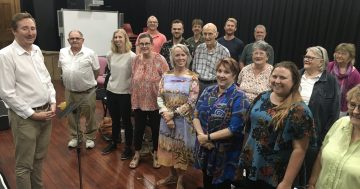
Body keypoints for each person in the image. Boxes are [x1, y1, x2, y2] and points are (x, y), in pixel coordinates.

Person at [0, 12, 56, 189]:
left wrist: (53, 101)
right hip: (25, 118)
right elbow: (7, 93)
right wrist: (32, 114)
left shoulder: (37, 50)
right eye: (25, 28)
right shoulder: (5, 55)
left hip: (46, 113)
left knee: (39, 159)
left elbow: (46, 79)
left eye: (33, 28)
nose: (30, 32)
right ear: (14, 31)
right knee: (24, 165)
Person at [239, 61, 315, 189]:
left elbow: (300, 150)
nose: (277, 81)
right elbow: (249, 130)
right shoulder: (262, 97)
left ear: (294, 81)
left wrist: (287, 182)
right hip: (251, 166)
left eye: (283, 77)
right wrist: (242, 161)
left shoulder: (300, 111)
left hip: (275, 175)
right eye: (274, 76)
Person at [193, 58, 250, 189]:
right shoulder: (208, 91)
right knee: (206, 179)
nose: (221, 75)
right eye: (219, 71)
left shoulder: (240, 97)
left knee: (221, 184)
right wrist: (202, 137)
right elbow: (195, 115)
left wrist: (207, 138)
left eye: (226, 72)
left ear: (234, 75)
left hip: (225, 153)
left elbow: (234, 129)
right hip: (204, 147)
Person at [156, 44, 199, 189]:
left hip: (183, 120)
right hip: (166, 118)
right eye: (177, 55)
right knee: (167, 148)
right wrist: (166, 114)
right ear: (172, 58)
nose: (180, 58)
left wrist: (172, 115)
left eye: (183, 55)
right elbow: (159, 97)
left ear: (187, 57)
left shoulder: (192, 77)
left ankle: (180, 178)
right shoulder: (166, 75)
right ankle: (171, 175)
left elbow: (191, 102)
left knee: (181, 149)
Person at [307, 84, 360, 189]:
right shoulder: (340, 123)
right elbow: (321, 155)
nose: (355, 111)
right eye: (352, 105)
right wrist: (312, 183)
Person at [129, 33, 169, 169]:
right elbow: (132, 79)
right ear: (139, 45)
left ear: (152, 45)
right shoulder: (135, 60)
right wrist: (132, 99)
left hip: (155, 102)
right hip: (139, 101)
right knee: (138, 129)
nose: (144, 46)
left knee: (156, 129)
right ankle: (137, 153)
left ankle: (155, 153)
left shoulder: (160, 59)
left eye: (147, 43)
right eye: (142, 44)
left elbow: (167, 80)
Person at [59, 30, 100, 149]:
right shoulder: (62, 52)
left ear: (82, 40)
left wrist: (85, 83)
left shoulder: (90, 53)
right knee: (71, 116)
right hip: (69, 92)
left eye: (77, 38)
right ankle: (75, 137)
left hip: (87, 92)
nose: (74, 40)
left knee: (90, 116)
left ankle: (90, 138)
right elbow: (61, 69)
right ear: (68, 40)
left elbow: (96, 71)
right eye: (72, 38)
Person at [101, 29, 136, 159]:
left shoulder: (132, 56)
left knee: (126, 121)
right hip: (111, 91)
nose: (117, 39)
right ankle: (114, 142)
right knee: (114, 120)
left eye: (120, 37)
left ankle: (128, 147)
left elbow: (133, 75)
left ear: (125, 39)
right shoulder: (110, 54)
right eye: (115, 37)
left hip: (125, 93)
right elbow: (111, 70)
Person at [192, 23, 230, 94]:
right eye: (205, 34)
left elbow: (227, 74)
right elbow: (194, 69)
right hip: (198, 84)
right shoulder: (199, 48)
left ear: (216, 34)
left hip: (215, 85)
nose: (207, 37)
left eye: (210, 34)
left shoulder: (224, 51)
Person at [327, 43, 360, 117]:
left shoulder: (355, 74)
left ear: (350, 57)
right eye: (338, 53)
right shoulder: (328, 66)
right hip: (324, 103)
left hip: (342, 109)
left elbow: (356, 94)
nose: (339, 56)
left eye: (343, 54)